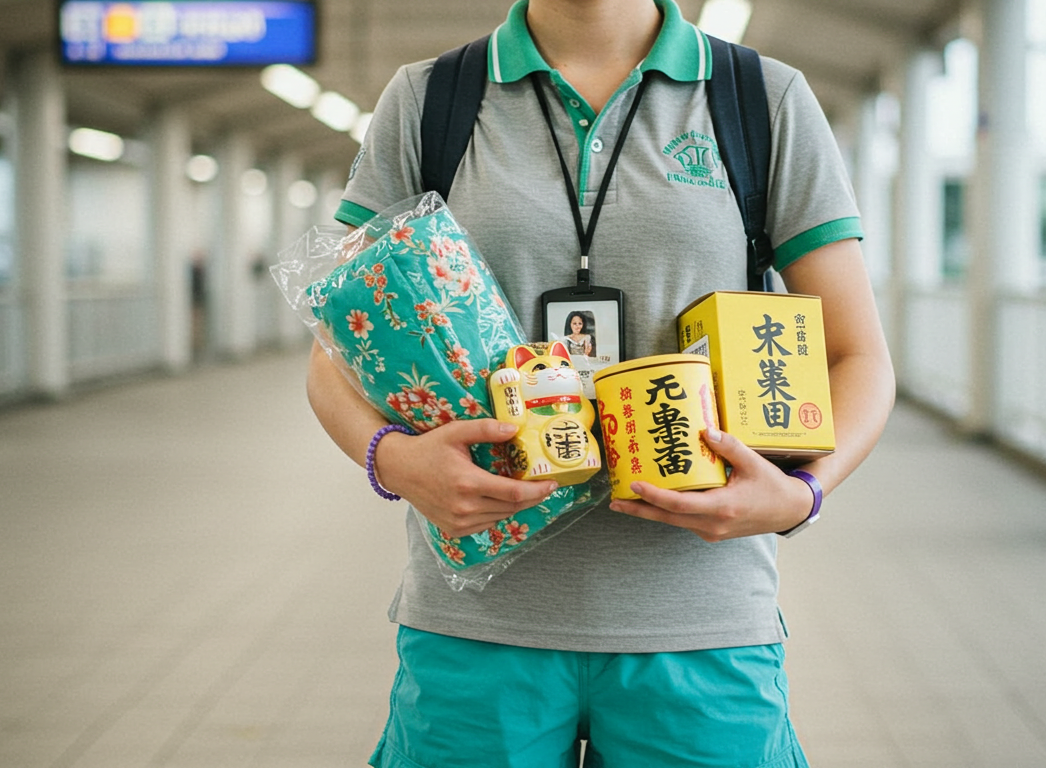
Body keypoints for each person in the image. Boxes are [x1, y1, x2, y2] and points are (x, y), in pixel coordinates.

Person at [305, 0, 895, 765]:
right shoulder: (430, 99)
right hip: (480, 629)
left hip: (699, 624)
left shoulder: (758, 97)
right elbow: (336, 350)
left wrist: (802, 494)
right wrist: (393, 461)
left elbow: (858, 354)